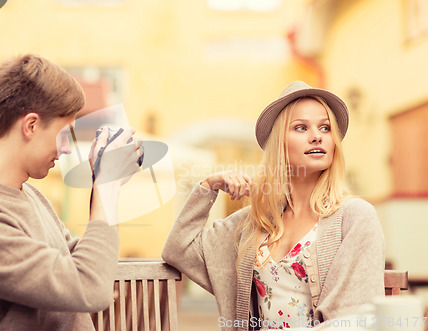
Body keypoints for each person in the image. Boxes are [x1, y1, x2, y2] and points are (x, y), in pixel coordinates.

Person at [0, 54, 142, 330]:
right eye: (65, 134)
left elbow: (85, 263)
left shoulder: (30, 194)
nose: (67, 149)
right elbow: (89, 287)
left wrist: (101, 180)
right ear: (31, 125)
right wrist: (106, 186)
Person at [162, 81, 385, 330]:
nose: (316, 136)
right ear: (279, 143)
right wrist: (208, 186)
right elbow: (178, 248)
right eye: (301, 127)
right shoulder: (255, 222)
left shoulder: (355, 216)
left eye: (325, 127)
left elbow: (353, 319)